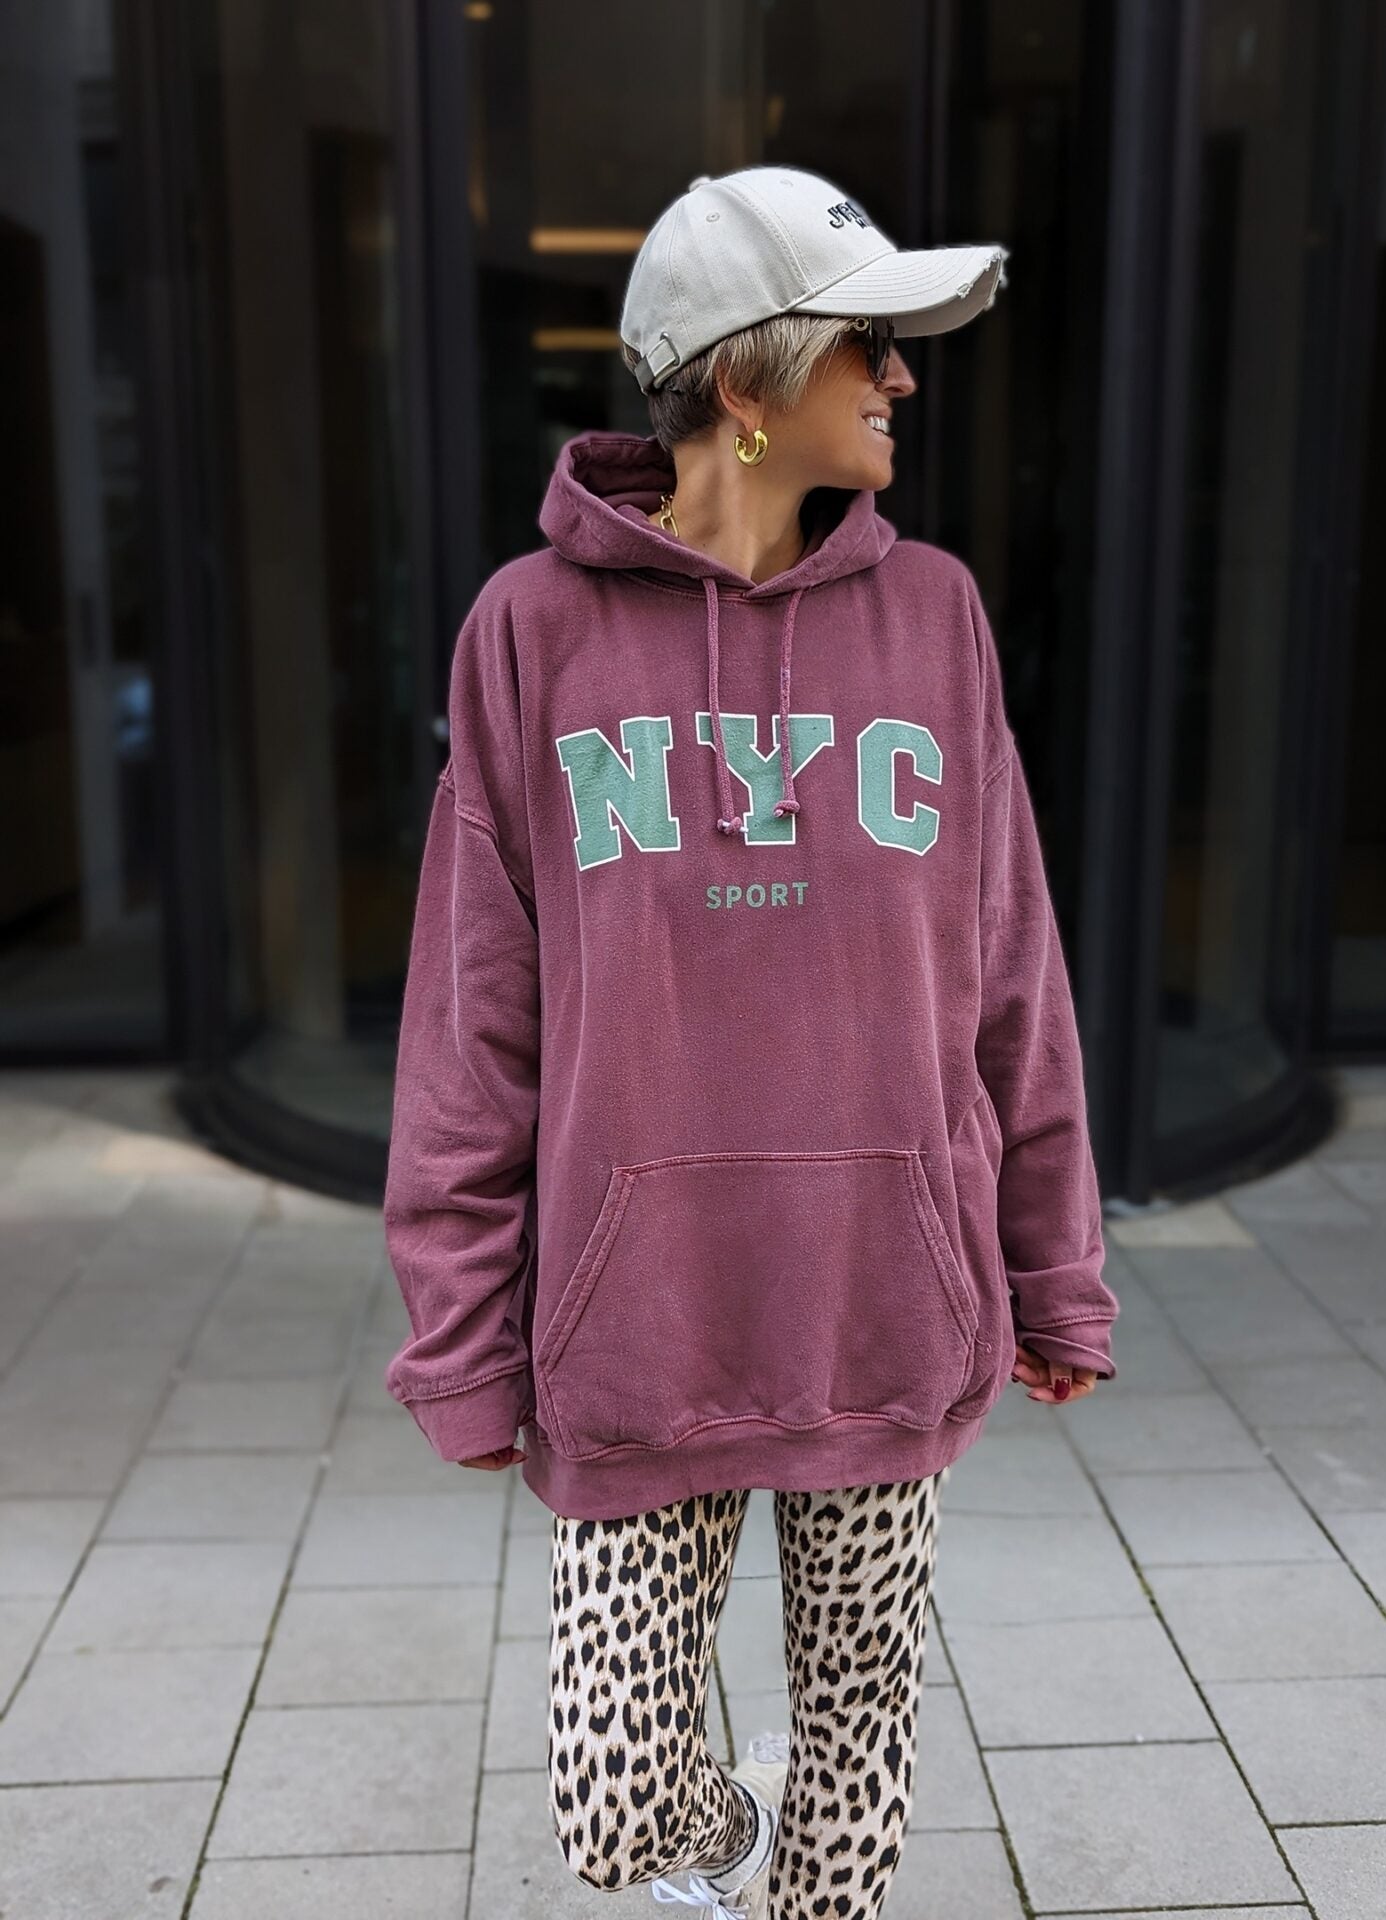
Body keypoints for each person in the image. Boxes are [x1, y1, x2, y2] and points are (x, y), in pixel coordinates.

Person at [381, 165, 1121, 1918]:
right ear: (745, 379)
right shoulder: (531, 631)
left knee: (860, 1736)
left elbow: (1008, 972)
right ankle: (716, 1845)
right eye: (868, 342)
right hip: (640, 1324)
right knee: (616, 1807)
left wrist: (1054, 1273)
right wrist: (461, 1338)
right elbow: (474, 1019)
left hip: (885, 1295)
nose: (901, 377)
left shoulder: (931, 616)